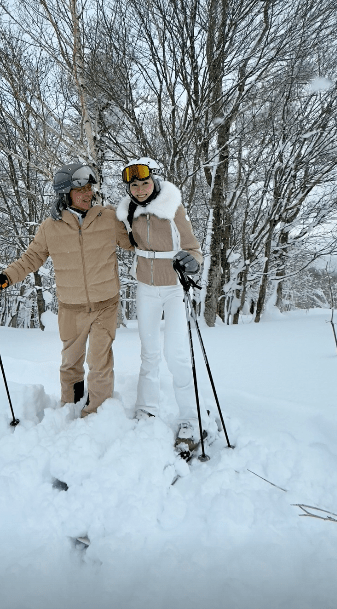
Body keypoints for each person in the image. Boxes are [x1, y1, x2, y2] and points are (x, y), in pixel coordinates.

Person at [0, 162, 132, 417]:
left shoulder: (108, 217)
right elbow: (30, 260)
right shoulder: (50, 227)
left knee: (100, 363)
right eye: (80, 189)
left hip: (105, 305)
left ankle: (97, 416)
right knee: (70, 364)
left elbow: (134, 243)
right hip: (71, 308)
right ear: (65, 193)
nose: (87, 193)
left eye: (90, 188)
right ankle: (68, 411)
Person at [116, 157, 213, 458]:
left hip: (174, 289)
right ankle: (147, 410)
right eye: (134, 185)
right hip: (146, 287)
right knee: (149, 353)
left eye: (145, 183)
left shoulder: (173, 206)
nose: (140, 189)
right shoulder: (128, 210)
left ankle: (190, 420)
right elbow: (125, 242)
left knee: (176, 354)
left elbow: (194, 248)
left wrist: (192, 263)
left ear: (155, 181)